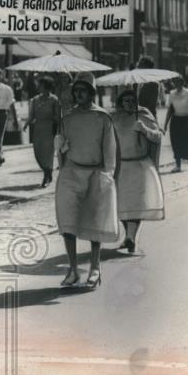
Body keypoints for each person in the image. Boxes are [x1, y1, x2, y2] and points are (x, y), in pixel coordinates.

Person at [54, 72, 119, 290]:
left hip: (95, 173)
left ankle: (94, 268)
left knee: (94, 223)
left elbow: (109, 151)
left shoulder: (103, 118)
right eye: (76, 90)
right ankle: (73, 270)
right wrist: (61, 144)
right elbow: (62, 151)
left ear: (91, 92)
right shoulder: (67, 118)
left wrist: (106, 175)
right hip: (71, 173)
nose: (78, 94)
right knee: (68, 221)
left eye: (83, 90)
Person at [111, 89, 164, 254]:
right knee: (122, 204)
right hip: (121, 165)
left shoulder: (143, 114)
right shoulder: (115, 117)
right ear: (120, 103)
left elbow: (157, 136)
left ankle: (131, 237)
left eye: (132, 100)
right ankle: (129, 236)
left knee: (136, 203)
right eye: (125, 101)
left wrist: (144, 130)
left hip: (139, 165)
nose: (129, 104)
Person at [24, 75, 60, 187]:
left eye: (41, 85)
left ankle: (47, 175)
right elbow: (31, 116)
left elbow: (57, 116)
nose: (38, 87)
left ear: (47, 87)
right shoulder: (35, 100)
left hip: (49, 129)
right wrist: (26, 124)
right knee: (38, 153)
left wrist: (57, 125)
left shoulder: (54, 100)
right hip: (38, 129)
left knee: (48, 154)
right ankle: (47, 172)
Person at [163, 75, 188, 172]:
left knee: (187, 140)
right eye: (175, 82)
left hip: (186, 119)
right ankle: (178, 165)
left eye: (179, 82)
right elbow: (170, 110)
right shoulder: (171, 94)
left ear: (183, 83)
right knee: (175, 142)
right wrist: (165, 124)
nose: (177, 84)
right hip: (175, 120)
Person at [0, 67, 15, 169]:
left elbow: (12, 103)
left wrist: (15, 119)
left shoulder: (7, 89)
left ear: (2, 76)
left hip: (1, 114)